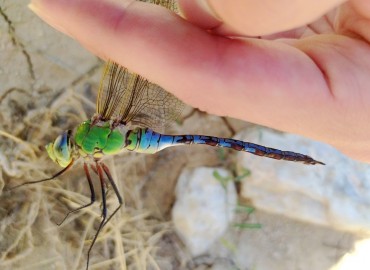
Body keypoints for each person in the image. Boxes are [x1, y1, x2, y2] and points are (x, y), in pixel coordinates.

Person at [29, 0, 370, 163]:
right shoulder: (98, 131)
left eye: (68, 146)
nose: (67, 146)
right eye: (65, 144)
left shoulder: (98, 134)